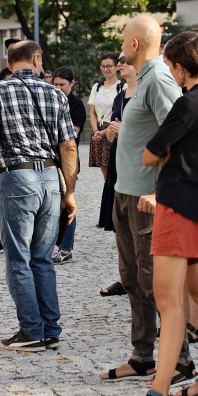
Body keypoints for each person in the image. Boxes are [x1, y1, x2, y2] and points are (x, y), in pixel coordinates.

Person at [122, 32, 198, 396]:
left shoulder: (188, 103)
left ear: (181, 68)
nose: (168, 71)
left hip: (178, 207)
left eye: (170, 65)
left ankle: (158, 394)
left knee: (169, 304)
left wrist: (166, 157)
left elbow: (150, 153)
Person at [99, 16, 194, 383]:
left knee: (156, 281)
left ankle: (181, 361)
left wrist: (158, 191)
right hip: (125, 192)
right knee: (132, 278)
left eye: (124, 39)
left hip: (146, 197)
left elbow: (181, 136)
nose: (122, 46)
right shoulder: (142, 80)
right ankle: (142, 357)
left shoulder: (158, 80)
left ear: (135, 44)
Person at [0, 40, 78, 351]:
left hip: (17, 177)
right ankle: (50, 329)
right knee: (42, 258)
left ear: (9, 63)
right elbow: (69, 147)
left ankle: (31, 330)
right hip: (50, 179)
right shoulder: (56, 94)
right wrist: (69, 192)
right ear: (36, 59)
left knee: (19, 258)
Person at [97, 55, 134, 297]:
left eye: (124, 61)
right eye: (118, 61)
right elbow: (111, 136)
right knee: (119, 224)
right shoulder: (120, 97)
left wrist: (124, 130)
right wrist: (111, 130)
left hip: (137, 163)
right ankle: (125, 276)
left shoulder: (145, 94)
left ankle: (140, 274)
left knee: (138, 224)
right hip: (118, 160)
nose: (120, 64)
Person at [52, 66, 86, 264]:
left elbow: (71, 134)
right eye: (55, 84)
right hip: (51, 160)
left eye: (62, 85)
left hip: (68, 161)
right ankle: (54, 244)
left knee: (67, 203)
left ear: (72, 83)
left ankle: (66, 248)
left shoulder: (76, 104)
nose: (58, 88)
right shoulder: (51, 100)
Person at [87, 53, 121, 182]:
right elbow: (92, 112)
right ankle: (108, 194)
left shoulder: (122, 86)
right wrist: (96, 131)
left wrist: (104, 132)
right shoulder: (97, 87)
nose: (106, 69)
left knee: (115, 169)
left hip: (112, 129)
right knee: (105, 173)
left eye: (109, 66)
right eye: (103, 66)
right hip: (98, 129)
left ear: (116, 67)